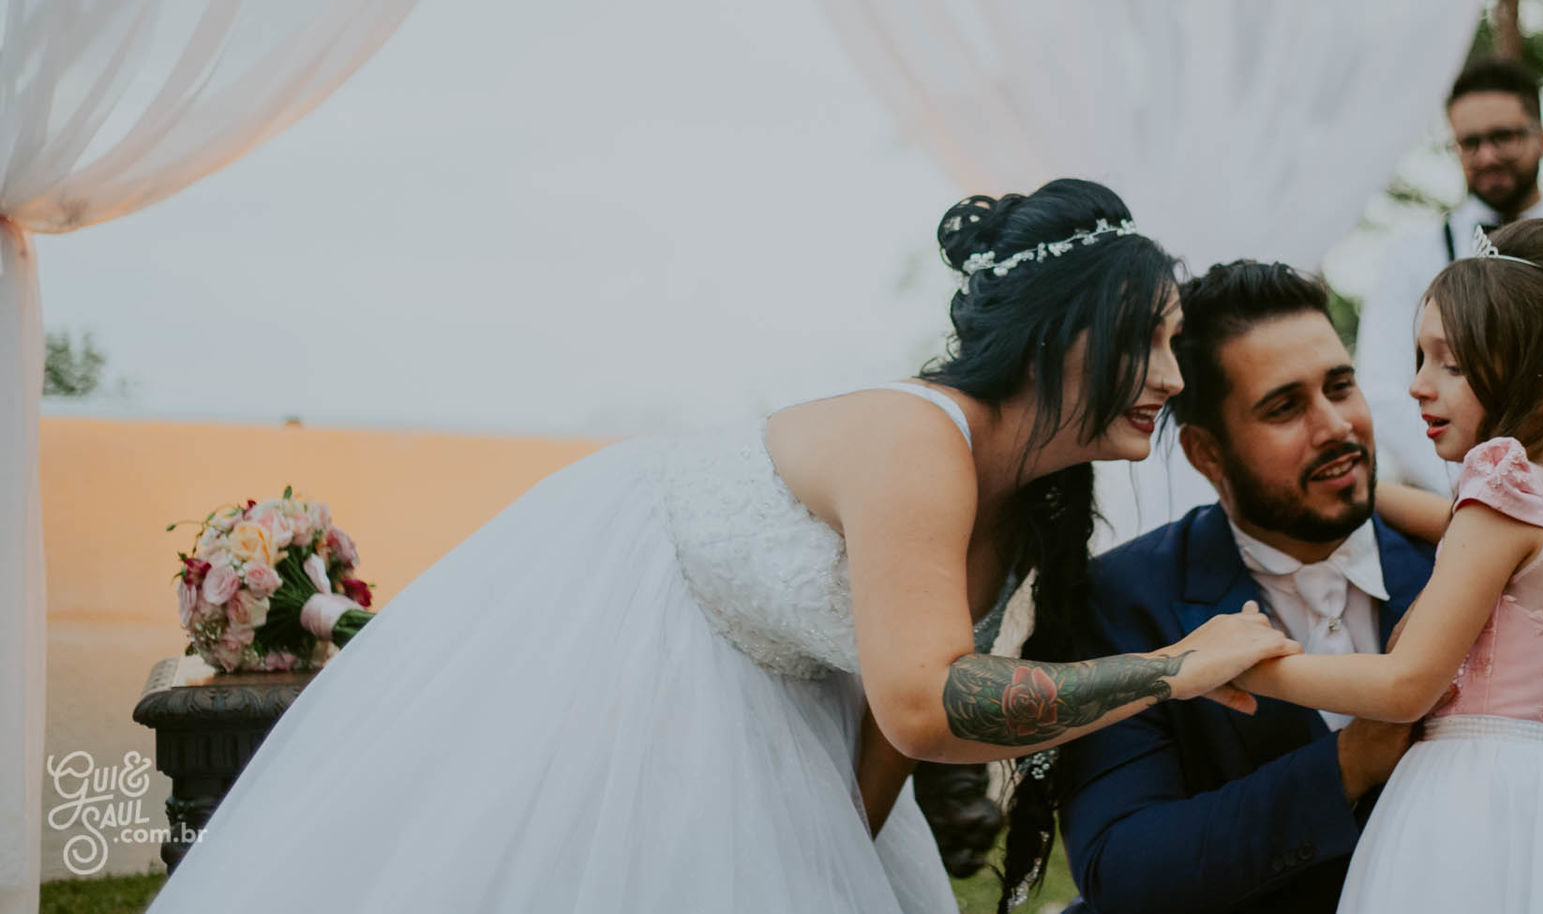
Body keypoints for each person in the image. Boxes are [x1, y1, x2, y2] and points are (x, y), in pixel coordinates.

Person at [144, 179, 1298, 914]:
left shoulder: (1032, 498)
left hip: (784, 715)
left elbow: (880, 744)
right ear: (1069, 336)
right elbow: (926, 702)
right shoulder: (918, 441)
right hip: (629, 644)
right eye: (1151, 341)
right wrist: (1171, 668)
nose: (1170, 376)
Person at [1051, 257, 1543, 914]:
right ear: (1207, 454)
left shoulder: (1483, 555)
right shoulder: (1125, 597)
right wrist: (1346, 765)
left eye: (1341, 387)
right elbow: (1120, 868)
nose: (1337, 427)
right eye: (1285, 408)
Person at [1230, 219, 1543, 912]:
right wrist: (1360, 492)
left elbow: (1406, 684)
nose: (1418, 386)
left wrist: (1249, 666)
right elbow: (1445, 522)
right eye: (1419, 357)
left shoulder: (1502, 481)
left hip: (1470, 810)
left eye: (1449, 363)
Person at [1354, 60, 1543, 494]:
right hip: (1446, 504)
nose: (1487, 155)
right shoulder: (1410, 258)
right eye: (1470, 143)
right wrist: (1483, 487)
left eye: (1503, 137)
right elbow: (1384, 394)